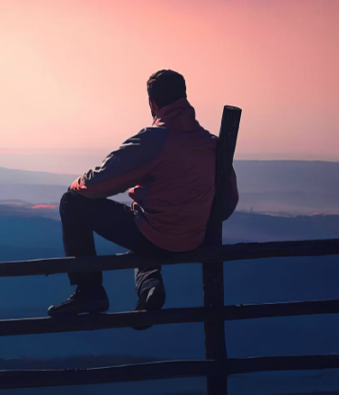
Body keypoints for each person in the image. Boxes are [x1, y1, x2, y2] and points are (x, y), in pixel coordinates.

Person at [48, 69, 239, 321]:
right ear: (184, 97)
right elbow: (228, 200)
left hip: (155, 236)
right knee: (146, 232)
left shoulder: (154, 140)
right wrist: (196, 223)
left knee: (71, 203)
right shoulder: (210, 143)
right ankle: (149, 287)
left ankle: (89, 290)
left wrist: (76, 186)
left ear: (153, 103)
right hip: (195, 238)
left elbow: (101, 180)